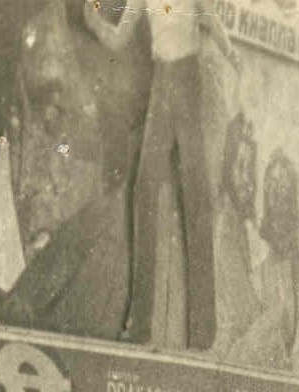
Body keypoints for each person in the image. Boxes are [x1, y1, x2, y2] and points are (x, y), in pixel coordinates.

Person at [82, 0, 236, 350]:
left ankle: (203, 328)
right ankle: (140, 323)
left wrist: (230, 52)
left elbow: (212, 21)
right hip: (162, 83)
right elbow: (119, 39)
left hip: (187, 78)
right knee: (144, 191)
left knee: (196, 198)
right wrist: (94, 22)